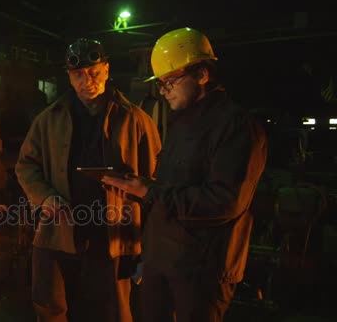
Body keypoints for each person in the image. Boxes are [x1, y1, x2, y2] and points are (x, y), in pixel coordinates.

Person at [101, 27, 268, 322]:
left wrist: (150, 192)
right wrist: (137, 192)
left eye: (170, 81)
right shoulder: (181, 123)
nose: (163, 91)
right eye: (161, 84)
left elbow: (225, 201)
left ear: (202, 74)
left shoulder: (236, 127)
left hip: (202, 271)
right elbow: (170, 189)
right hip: (162, 261)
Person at [15, 38, 161, 322]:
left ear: (106, 70)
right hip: (59, 228)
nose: (87, 81)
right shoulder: (49, 120)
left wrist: (149, 241)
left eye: (94, 72)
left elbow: (157, 181)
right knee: (49, 305)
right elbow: (26, 165)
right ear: (69, 76)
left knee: (112, 311)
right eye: (78, 74)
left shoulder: (135, 119)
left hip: (113, 232)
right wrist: (45, 197)